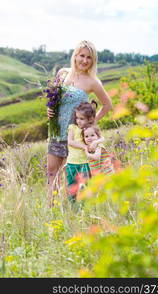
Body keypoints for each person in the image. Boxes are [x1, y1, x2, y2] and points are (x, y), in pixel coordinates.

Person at [47, 40, 112, 206]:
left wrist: (90, 124)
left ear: (93, 60)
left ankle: (75, 209)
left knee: (72, 174)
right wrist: (49, 110)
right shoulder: (62, 73)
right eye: (82, 55)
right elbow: (54, 99)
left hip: (74, 135)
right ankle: (51, 207)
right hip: (56, 130)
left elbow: (107, 105)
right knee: (51, 171)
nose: (85, 60)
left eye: (89, 57)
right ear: (75, 56)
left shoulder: (92, 82)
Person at [66, 101, 104, 202]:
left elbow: (102, 138)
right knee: (72, 186)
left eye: (81, 119)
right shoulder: (72, 127)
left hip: (86, 163)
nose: (78, 121)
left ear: (90, 119)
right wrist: (84, 147)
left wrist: (96, 143)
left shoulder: (91, 129)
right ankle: (73, 207)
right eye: (77, 118)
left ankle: (85, 208)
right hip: (72, 163)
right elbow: (70, 142)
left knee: (85, 186)